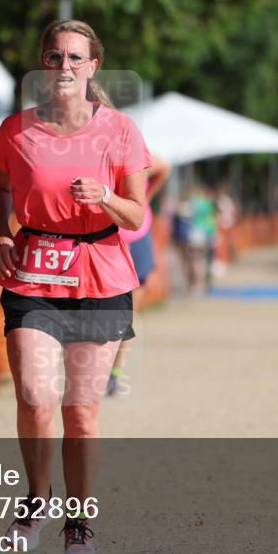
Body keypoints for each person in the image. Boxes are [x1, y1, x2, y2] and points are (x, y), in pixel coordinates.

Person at [0, 19, 150, 554]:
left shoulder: (121, 131)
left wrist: (104, 196)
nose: (65, 67)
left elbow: (136, 212)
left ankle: (79, 522)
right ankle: (37, 498)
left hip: (100, 274)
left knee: (80, 411)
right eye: (55, 57)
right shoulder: (16, 130)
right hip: (34, 273)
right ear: (43, 64)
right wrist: (0, 234)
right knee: (36, 397)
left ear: (93, 66)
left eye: (76, 58)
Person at [107, 155, 170, 397]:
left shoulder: (133, 151)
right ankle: (92, 368)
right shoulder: (88, 153)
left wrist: (145, 199)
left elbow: (164, 167)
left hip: (137, 237)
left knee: (128, 313)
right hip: (105, 240)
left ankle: (116, 373)